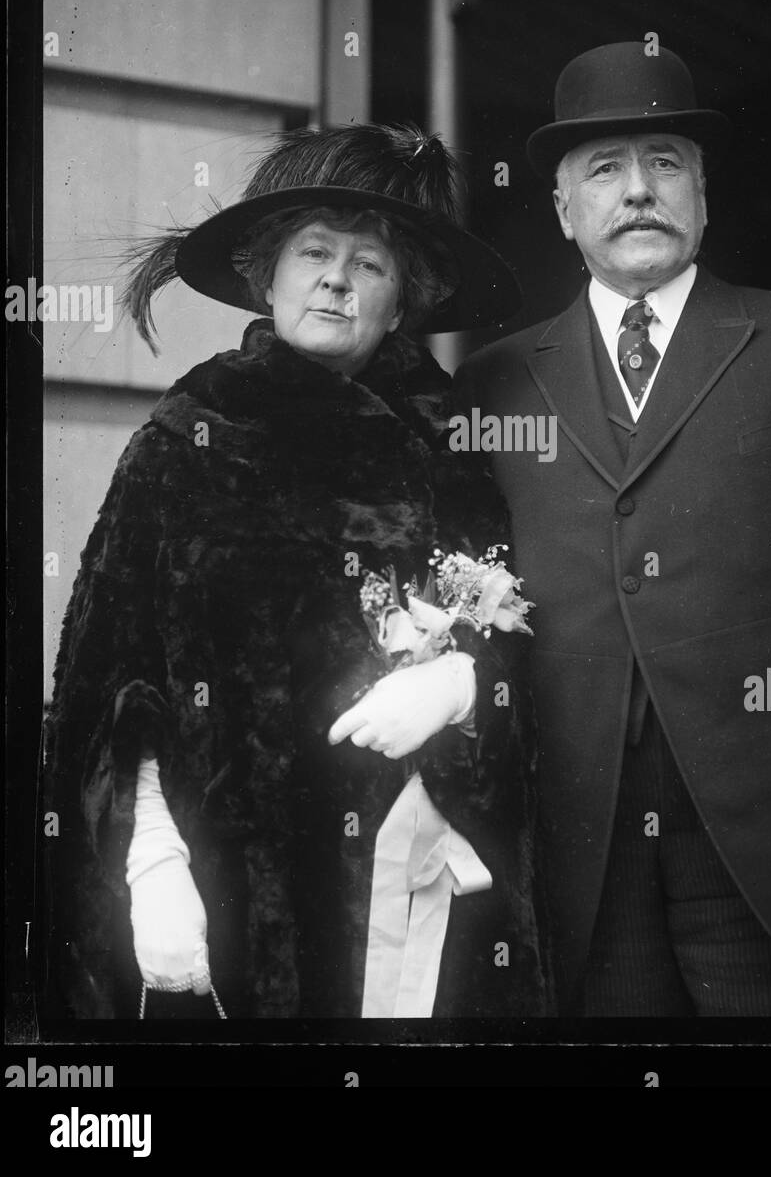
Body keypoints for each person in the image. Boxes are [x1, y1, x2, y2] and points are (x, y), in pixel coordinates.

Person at [451, 42, 771, 1017]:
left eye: (664, 163)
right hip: (576, 842)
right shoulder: (495, 381)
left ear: (704, 195)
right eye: (603, 169)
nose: (636, 190)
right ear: (562, 210)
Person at [44, 122, 547, 1021]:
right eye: (313, 253)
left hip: (414, 897)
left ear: (401, 303)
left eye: (369, 265)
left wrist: (465, 683)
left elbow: (525, 653)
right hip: (221, 895)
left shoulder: (451, 439)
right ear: (267, 275)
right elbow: (113, 685)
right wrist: (150, 862)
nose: (335, 279)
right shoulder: (191, 433)